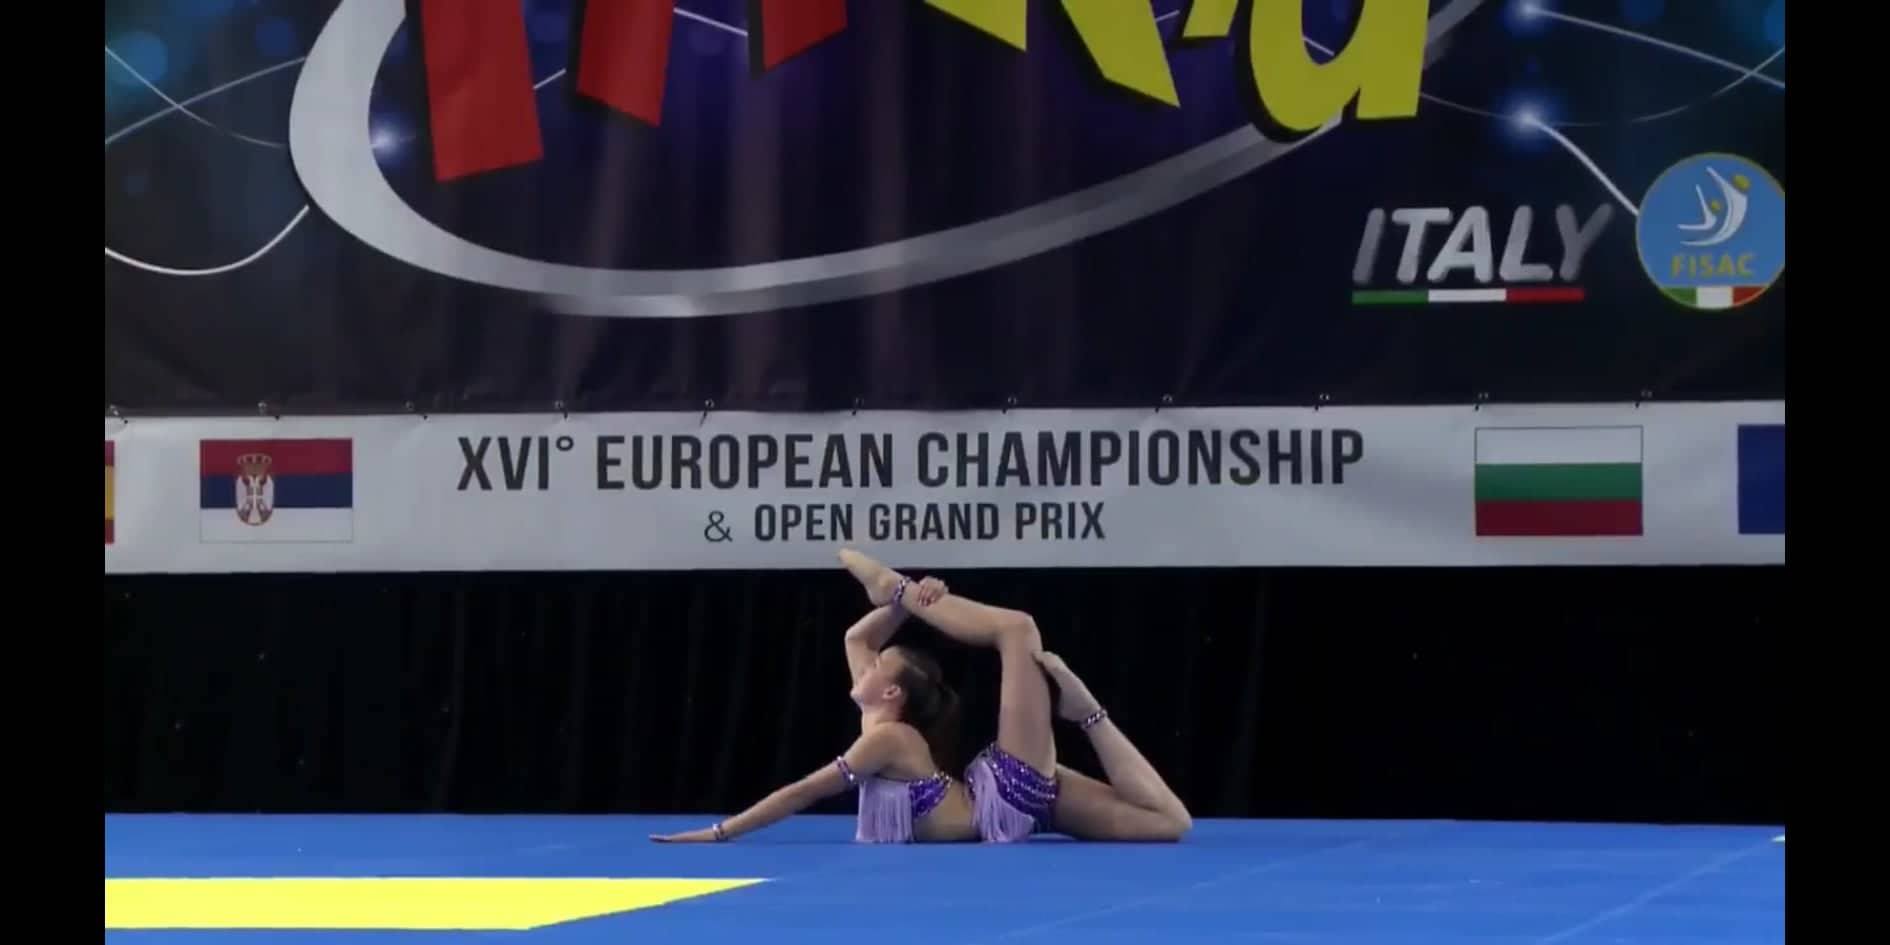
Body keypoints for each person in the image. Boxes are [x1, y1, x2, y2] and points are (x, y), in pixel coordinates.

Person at [650, 550, 1192, 844]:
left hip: (1010, 796)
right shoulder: (882, 718)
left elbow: (801, 791)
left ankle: (1084, 710)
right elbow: (857, 639)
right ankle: (1087, 713)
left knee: (1019, 628)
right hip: (1008, 809)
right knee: (1171, 825)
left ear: (889, 689)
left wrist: (720, 832)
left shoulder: (887, 737)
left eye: (879, 666)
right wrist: (902, 604)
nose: (865, 666)